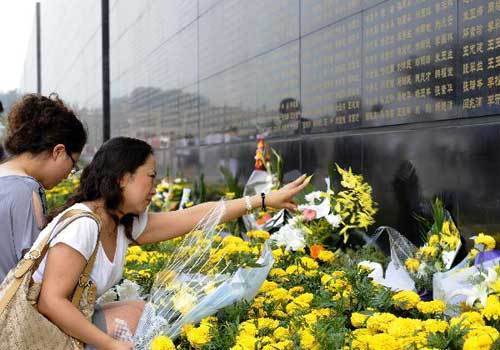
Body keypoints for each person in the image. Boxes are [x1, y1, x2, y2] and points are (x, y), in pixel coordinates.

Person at [32, 136, 309, 350]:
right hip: (37, 337)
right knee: (136, 320)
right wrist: (111, 344)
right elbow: (50, 302)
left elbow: (195, 216)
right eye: (150, 177)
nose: (155, 187)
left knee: (142, 313)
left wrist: (262, 201)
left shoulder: (121, 222)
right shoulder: (83, 225)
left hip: (62, 333)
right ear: (122, 178)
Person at [0, 93, 87, 281]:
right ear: (58, 151)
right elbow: (35, 274)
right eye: (73, 164)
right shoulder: (26, 190)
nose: (67, 175)